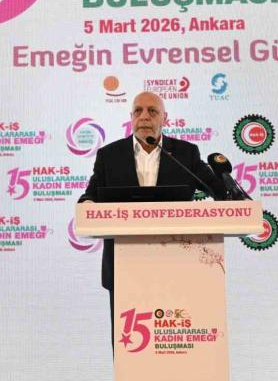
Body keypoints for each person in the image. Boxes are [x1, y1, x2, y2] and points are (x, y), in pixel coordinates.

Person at [77, 91, 228, 350]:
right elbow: (90, 195)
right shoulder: (109, 155)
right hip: (124, 269)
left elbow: (218, 191)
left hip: (178, 265)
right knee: (128, 350)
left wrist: (230, 189)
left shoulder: (185, 153)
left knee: (175, 348)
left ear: (165, 118)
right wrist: (89, 207)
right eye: (138, 111)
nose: (144, 117)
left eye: (152, 111)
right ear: (131, 117)